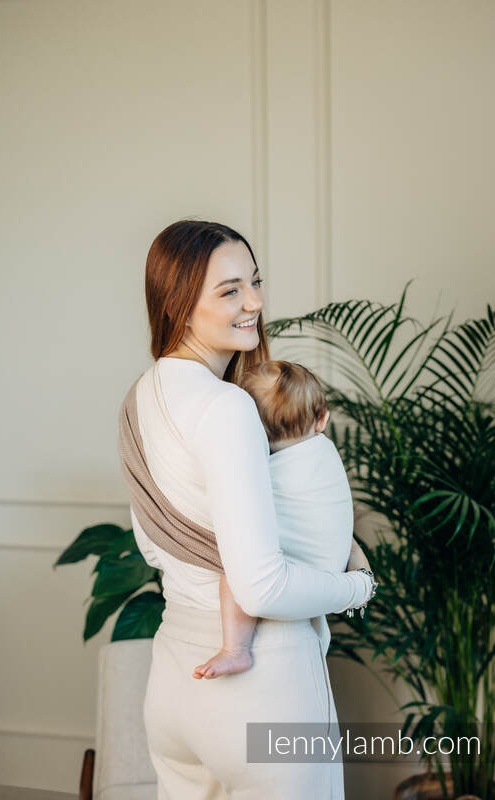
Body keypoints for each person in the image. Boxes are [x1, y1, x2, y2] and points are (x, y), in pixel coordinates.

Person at [119, 219, 375, 799]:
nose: (255, 302)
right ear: (179, 304)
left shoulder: (139, 397)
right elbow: (261, 587)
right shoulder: (228, 407)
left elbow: (160, 546)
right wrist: (358, 588)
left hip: (177, 679)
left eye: (254, 282)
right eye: (230, 289)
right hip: (263, 683)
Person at [192, 359, 357, 680]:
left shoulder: (262, 468)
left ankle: (234, 650)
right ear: (321, 419)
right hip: (333, 563)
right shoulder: (326, 452)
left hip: (297, 571)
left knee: (235, 572)